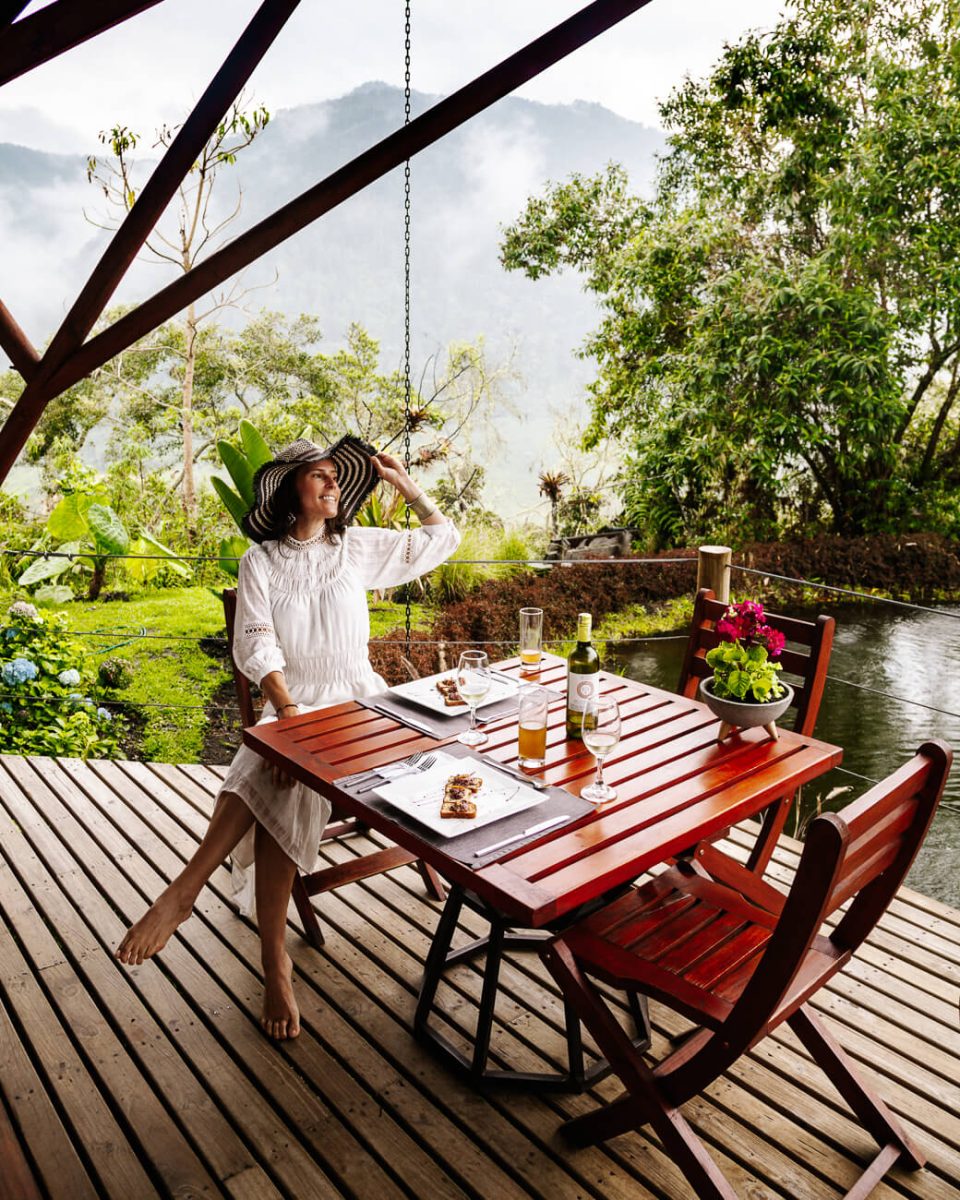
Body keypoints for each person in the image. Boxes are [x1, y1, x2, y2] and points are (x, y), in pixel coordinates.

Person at [116, 435, 460, 1041]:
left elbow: (442, 540)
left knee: (279, 770)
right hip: (294, 701)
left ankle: (191, 892)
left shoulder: (354, 548)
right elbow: (254, 642)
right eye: (320, 476)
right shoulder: (262, 562)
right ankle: (271, 959)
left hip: (359, 701)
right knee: (281, 768)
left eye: (337, 477)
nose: (333, 486)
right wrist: (288, 711)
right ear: (289, 490)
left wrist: (405, 483)